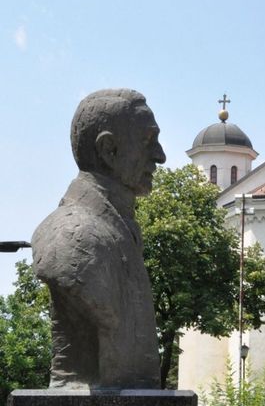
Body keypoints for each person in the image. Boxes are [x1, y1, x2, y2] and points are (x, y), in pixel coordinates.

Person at [32, 89, 165, 389]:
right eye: (148, 141)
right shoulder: (71, 235)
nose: (160, 155)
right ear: (109, 150)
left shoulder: (123, 228)